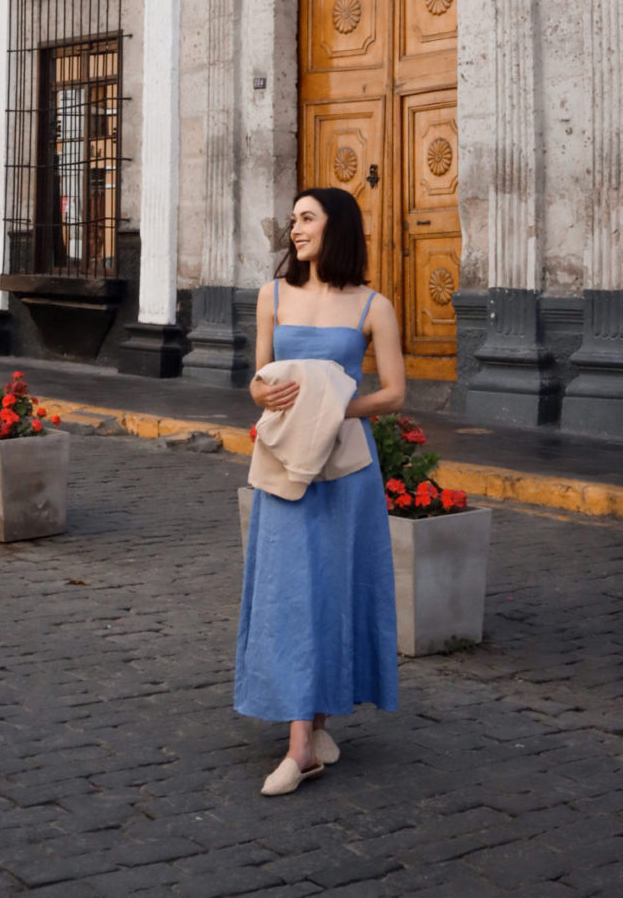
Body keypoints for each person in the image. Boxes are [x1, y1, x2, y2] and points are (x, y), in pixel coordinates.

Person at [234, 186, 406, 796]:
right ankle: (305, 737)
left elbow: (394, 393)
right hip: (283, 463)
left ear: (338, 227)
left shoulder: (373, 306)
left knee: (331, 590)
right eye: (293, 220)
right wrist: (262, 395)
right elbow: (257, 379)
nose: (295, 229)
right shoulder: (272, 296)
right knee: (289, 593)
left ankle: (308, 735)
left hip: (347, 469)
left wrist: (336, 407)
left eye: (307, 218)